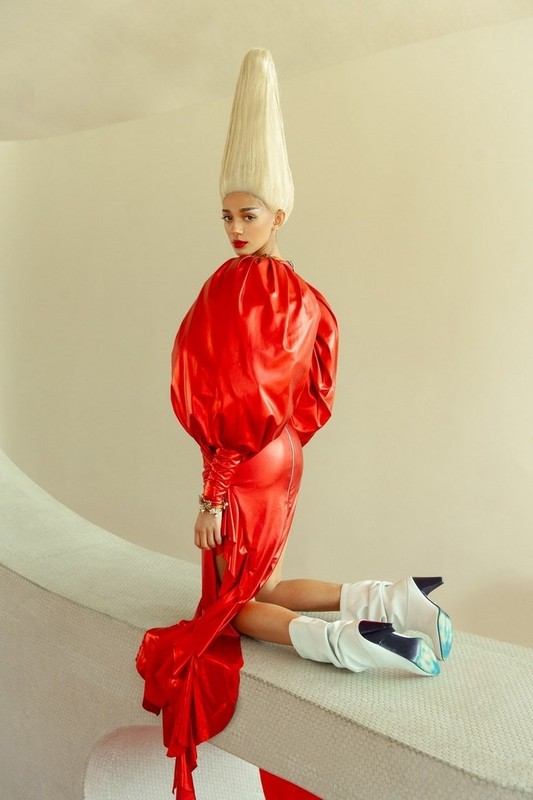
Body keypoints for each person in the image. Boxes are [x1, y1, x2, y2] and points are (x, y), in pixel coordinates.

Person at [136, 49, 453, 800]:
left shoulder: (230, 290)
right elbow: (315, 391)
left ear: (278, 215)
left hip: (241, 460)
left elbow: (223, 393)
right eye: (226, 215)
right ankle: (393, 600)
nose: (234, 228)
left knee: (231, 611)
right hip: (280, 455)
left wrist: (214, 493)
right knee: (266, 580)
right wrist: (281, 445)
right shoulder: (305, 295)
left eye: (247, 214)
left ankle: (347, 641)